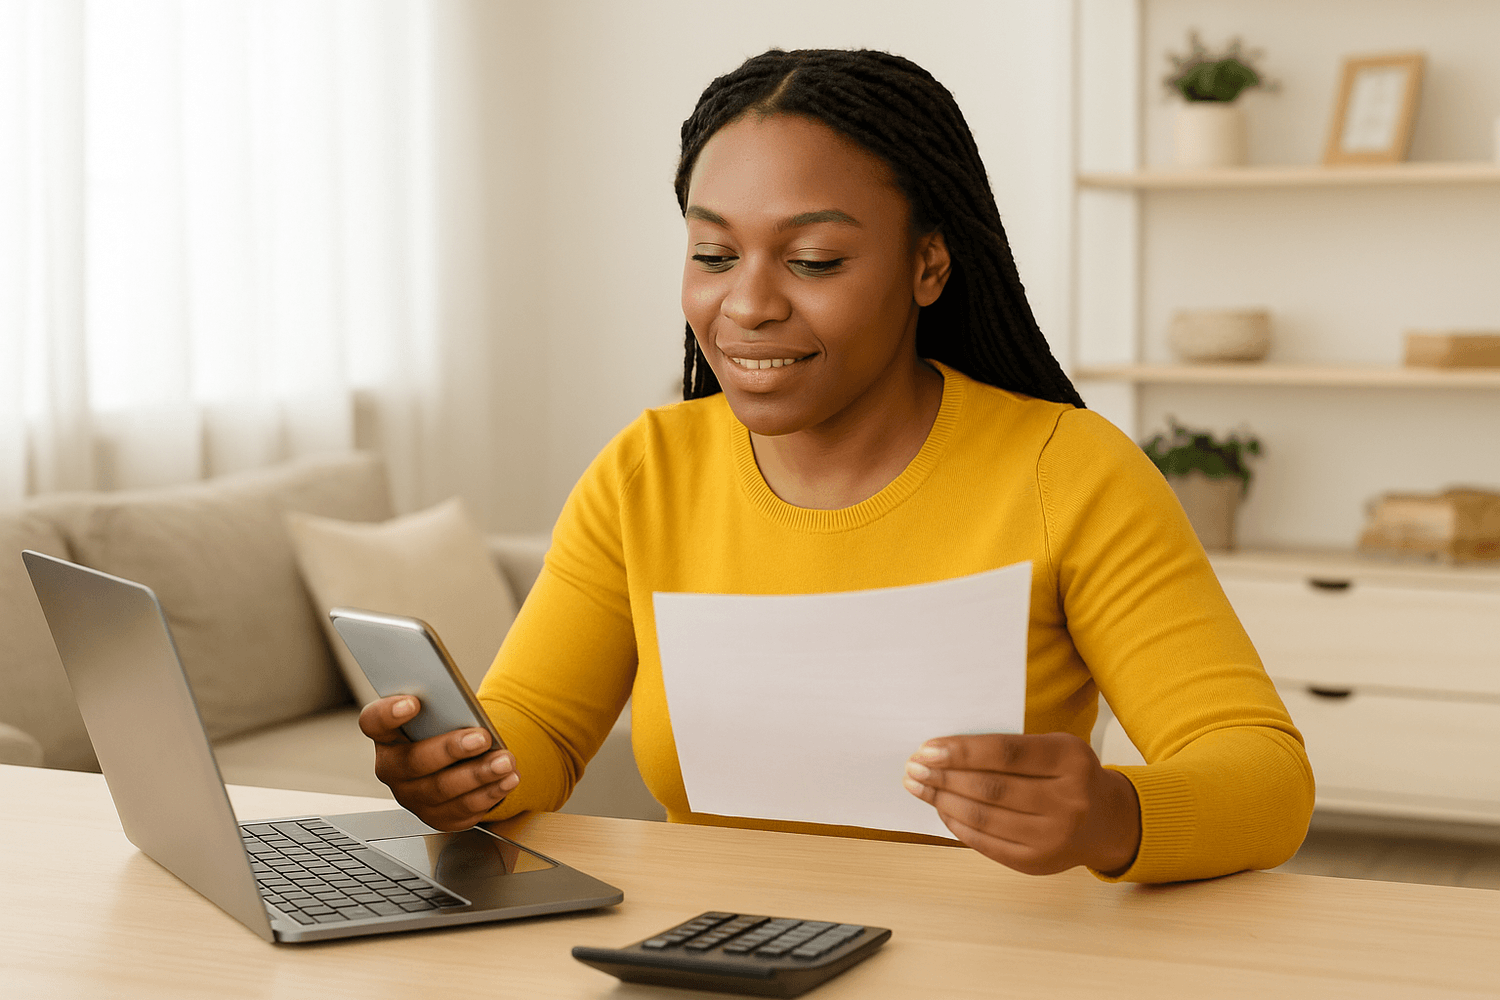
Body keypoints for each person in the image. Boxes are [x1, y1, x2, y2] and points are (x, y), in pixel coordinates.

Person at [360, 48, 1314, 883]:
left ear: (928, 266)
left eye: (813, 260)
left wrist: (1114, 815)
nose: (747, 304)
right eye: (714, 252)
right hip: (710, 952)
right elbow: (544, 726)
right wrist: (457, 773)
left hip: (986, 961)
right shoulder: (647, 470)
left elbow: (1261, 772)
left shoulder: (1067, 470)